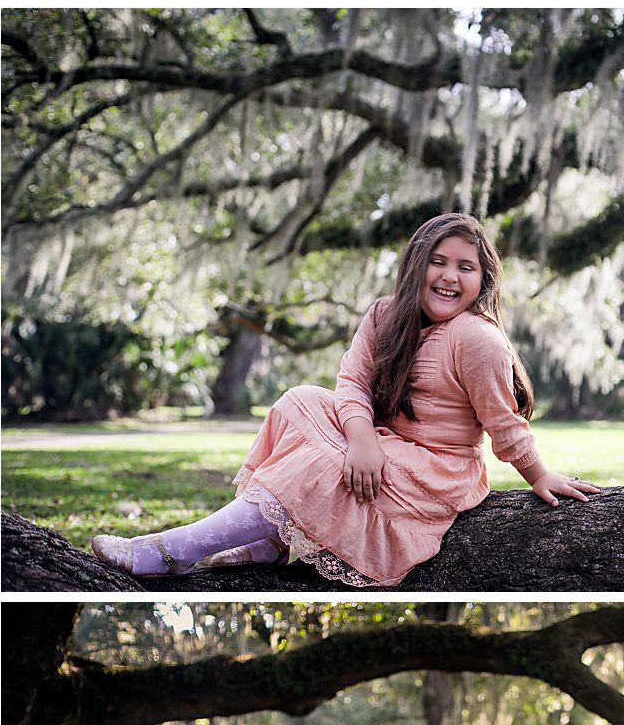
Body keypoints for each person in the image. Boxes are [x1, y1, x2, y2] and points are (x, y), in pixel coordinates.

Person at [90, 214, 597, 586]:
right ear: (415, 266)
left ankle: (170, 551)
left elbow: (502, 422)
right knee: (297, 401)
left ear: (482, 280)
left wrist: (539, 475)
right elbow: (351, 381)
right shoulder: (385, 315)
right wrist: (360, 437)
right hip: (380, 440)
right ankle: (271, 542)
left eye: (466, 267)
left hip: (435, 468)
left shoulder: (476, 339)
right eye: (437, 261)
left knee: (318, 465)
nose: (449, 276)